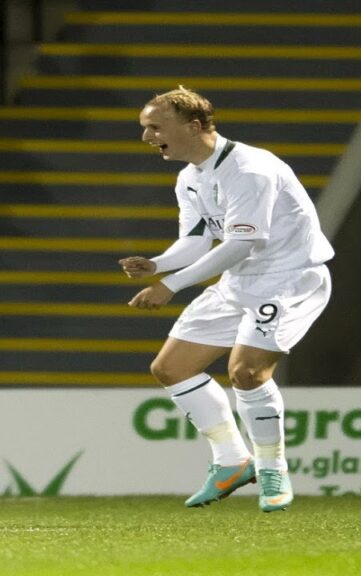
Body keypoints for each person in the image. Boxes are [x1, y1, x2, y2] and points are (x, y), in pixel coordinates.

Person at [118, 87, 334, 513]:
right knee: (171, 369)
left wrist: (170, 285)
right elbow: (197, 239)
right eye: (145, 128)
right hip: (241, 281)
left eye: (155, 128)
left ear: (194, 127)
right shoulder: (191, 177)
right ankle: (232, 462)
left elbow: (240, 243)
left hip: (288, 280)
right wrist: (157, 264)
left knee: (247, 373)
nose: (147, 137)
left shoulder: (249, 169)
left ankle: (272, 468)